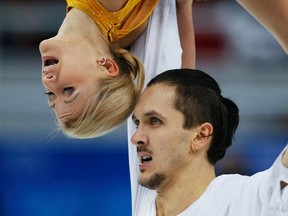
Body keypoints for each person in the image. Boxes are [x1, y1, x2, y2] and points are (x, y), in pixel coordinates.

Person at [130, 68, 288, 216]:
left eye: (154, 121)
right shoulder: (145, 202)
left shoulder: (245, 200)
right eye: (138, 123)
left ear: (200, 136)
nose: (135, 137)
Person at [39, 0, 195, 139]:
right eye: (68, 90)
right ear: (106, 66)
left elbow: (183, 79)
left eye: (51, 94)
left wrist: (184, 7)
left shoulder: (117, 34)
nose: (48, 81)